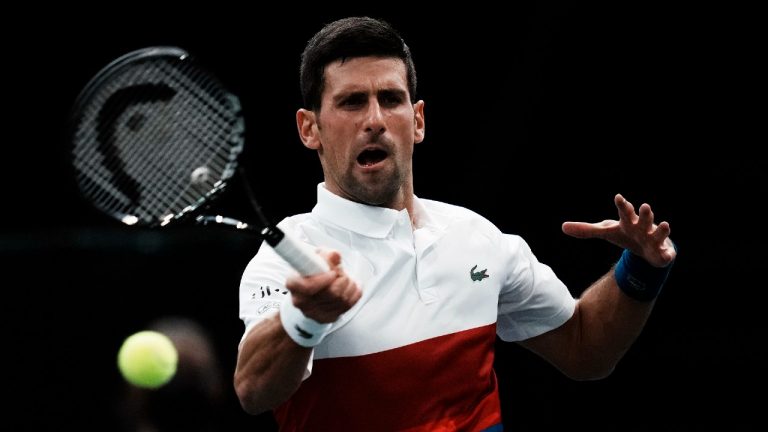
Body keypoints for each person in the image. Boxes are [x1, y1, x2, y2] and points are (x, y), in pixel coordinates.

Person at [234, 16, 677, 431]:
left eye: (390, 99)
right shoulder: (287, 261)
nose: (374, 121)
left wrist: (640, 269)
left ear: (418, 119)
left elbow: (585, 350)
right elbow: (253, 391)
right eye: (351, 103)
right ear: (309, 129)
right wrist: (304, 316)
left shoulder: (477, 237)